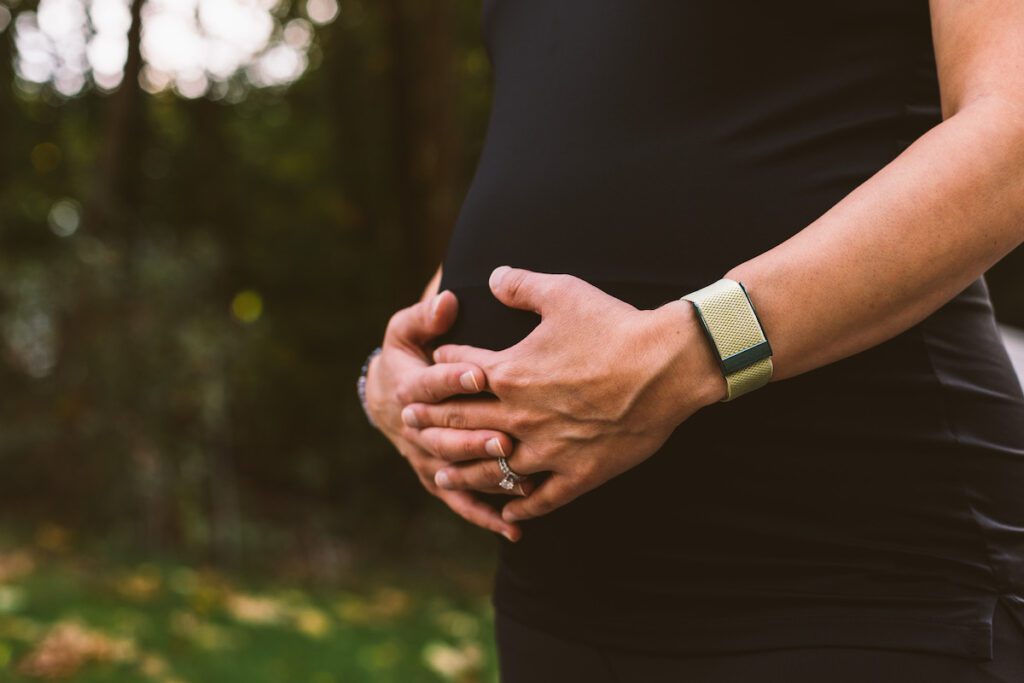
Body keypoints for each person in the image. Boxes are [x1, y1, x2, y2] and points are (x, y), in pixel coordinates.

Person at [359, 0, 1024, 680]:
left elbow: (1014, 130)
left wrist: (691, 350)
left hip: (853, 570)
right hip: (559, 596)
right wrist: (402, 373)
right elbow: (571, 131)